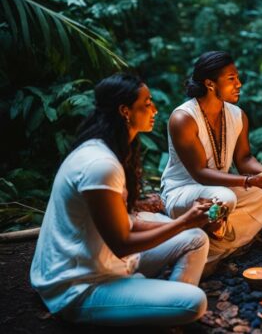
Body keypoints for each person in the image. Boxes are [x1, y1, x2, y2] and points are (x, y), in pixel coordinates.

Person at [30, 73, 211, 326]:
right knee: (193, 302)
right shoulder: (100, 164)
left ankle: (154, 306)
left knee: (196, 238)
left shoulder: (108, 150)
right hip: (78, 285)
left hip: (107, 263)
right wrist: (182, 222)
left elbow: (126, 222)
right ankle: (159, 307)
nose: (155, 109)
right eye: (147, 103)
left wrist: (192, 222)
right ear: (125, 111)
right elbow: (122, 244)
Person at [160, 51, 262, 267]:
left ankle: (214, 245)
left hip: (220, 189)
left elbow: (244, 159)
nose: (239, 84)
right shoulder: (183, 118)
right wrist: (248, 181)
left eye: (237, 78)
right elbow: (199, 173)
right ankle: (216, 242)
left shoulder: (237, 115)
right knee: (224, 199)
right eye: (231, 79)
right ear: (210, 84)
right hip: (183, 191)